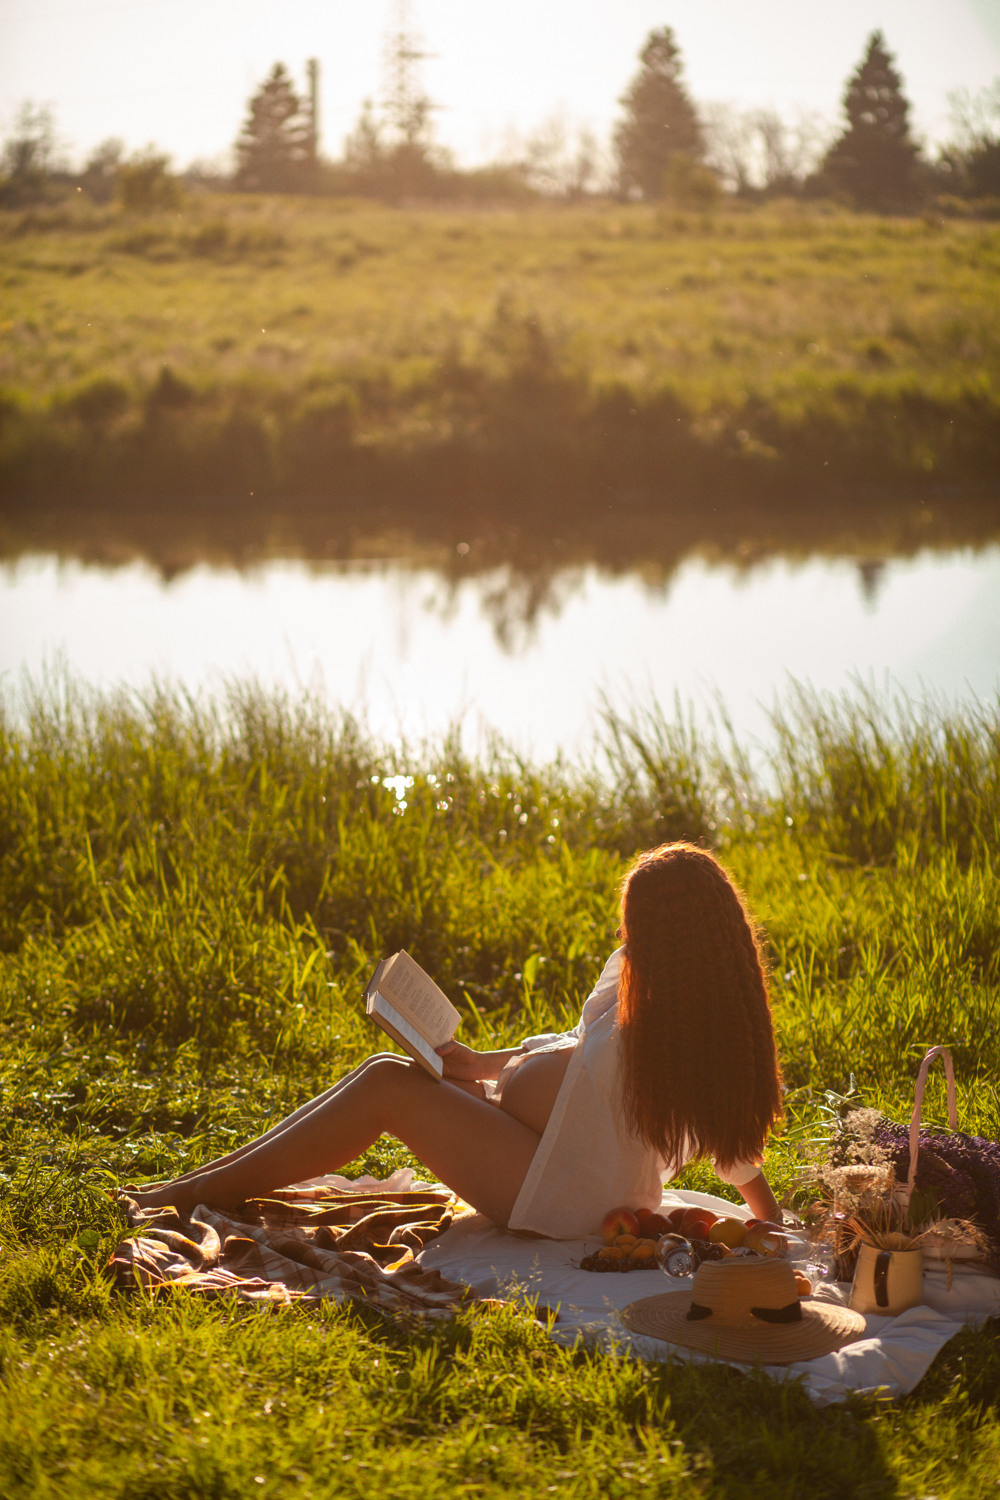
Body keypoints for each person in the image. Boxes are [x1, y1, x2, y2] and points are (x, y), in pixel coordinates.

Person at [128, 842, 784, 1233]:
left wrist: (768, 1216)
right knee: (387, 1065)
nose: (621, 934)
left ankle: (182, 1197)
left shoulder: (691, 1027)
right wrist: (481, 1063)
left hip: (573, 1200)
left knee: (388, 1086)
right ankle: (198, 1181)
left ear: (673, 939)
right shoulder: (648, 985)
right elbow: (575, 1043)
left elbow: (725, 1132)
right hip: (550, 1157)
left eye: (633, 923)